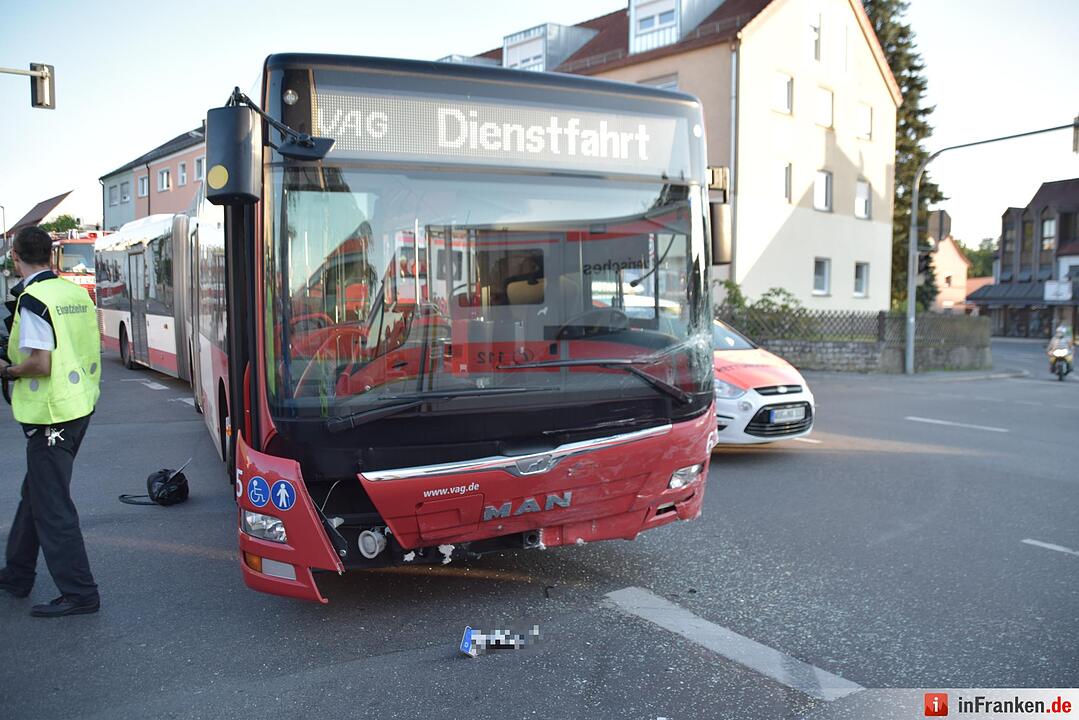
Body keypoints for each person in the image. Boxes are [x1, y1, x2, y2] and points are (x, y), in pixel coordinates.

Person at [0, 225, 102, 617]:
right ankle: (17, 574)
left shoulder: (33, 299)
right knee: (37, 494)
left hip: (51, 415)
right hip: (79, 406)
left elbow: (40, 365)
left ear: (16, 256)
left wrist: (9, 371)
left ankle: (80, 593)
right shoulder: (74, 293)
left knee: (52, 505)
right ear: (51, 255)